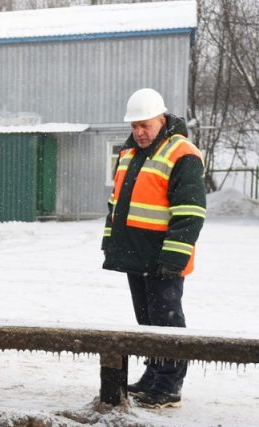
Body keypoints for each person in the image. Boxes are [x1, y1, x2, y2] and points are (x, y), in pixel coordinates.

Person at [103, 88, 206, 409]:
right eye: (134, 126)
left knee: (168, 321)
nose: (139, 132)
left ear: (162, 119)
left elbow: (190, 212)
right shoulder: (130, 153)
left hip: (164, 257)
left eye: (145, 125)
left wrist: (174, 257)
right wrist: (111, 243)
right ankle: (154, 374)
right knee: (148, 322)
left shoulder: (182, 153)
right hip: (136, 254)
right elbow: (116, 203)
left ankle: (169, 384)